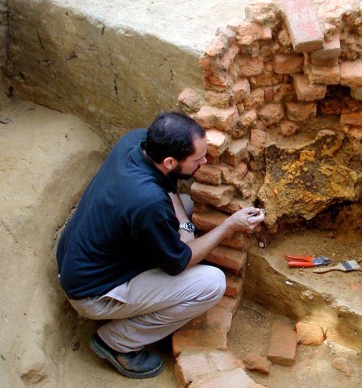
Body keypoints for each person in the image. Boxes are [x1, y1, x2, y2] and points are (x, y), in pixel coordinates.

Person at [56, 111, 264, 379]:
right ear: (169, 161)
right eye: (198, 158)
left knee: (188, 206)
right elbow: (178, 263)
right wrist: (228, 226)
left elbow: (167, 190)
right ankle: (117, 343)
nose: (206, 160)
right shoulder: (148, 203)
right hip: (93, 292)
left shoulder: (136, 141)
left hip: (82, 258)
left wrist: (186, 226)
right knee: (212, 283)